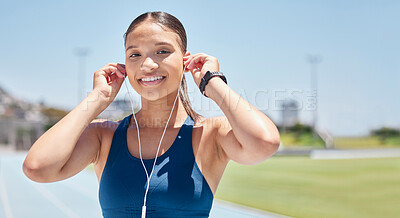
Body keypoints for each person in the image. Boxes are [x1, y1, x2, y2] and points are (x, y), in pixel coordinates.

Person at [23, 11, 280, 218]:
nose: (148, 65)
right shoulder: (104, 136)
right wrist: (97, 99)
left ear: (186, 60)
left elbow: (264, 143)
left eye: (162, 51)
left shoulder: (210, 134)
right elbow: (37, 168)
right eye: (135, 54)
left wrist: (211, 81)